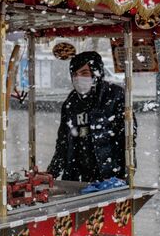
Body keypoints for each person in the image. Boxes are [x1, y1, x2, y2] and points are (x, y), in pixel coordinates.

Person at [47, 51, 135, 182]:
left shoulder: (115, 96)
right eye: (75, 74)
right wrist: (52, 172)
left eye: (84, 73)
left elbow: (128, 138)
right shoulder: (71, 102)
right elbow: (63, 143)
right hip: (76, 177)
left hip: (109, 176)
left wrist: (124, 175)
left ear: (96, 74)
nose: (78, 78)